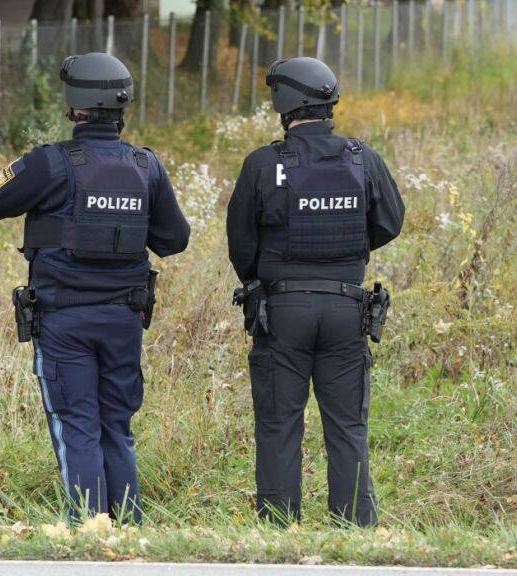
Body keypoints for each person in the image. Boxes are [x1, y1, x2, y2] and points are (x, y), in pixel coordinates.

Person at [0, 52, 190, 524]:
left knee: (77, 427)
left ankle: (87, 529)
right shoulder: (146, 165)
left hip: (64, 322)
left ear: (74, 105)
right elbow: (174, 239)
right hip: (124, 320)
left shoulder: (49, 164)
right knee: (116, 427)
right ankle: (126, 529)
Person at [226, 57, 405, 527]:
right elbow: (390, 222)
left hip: (281, 311)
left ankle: (279, 526)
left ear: (283, 103)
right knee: (348, 427)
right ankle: (354, 528)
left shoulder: (263, 164)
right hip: (347, 306)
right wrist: (346, 255)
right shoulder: (363, 159)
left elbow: (240, 244)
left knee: (278, 425)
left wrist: (273, 272)